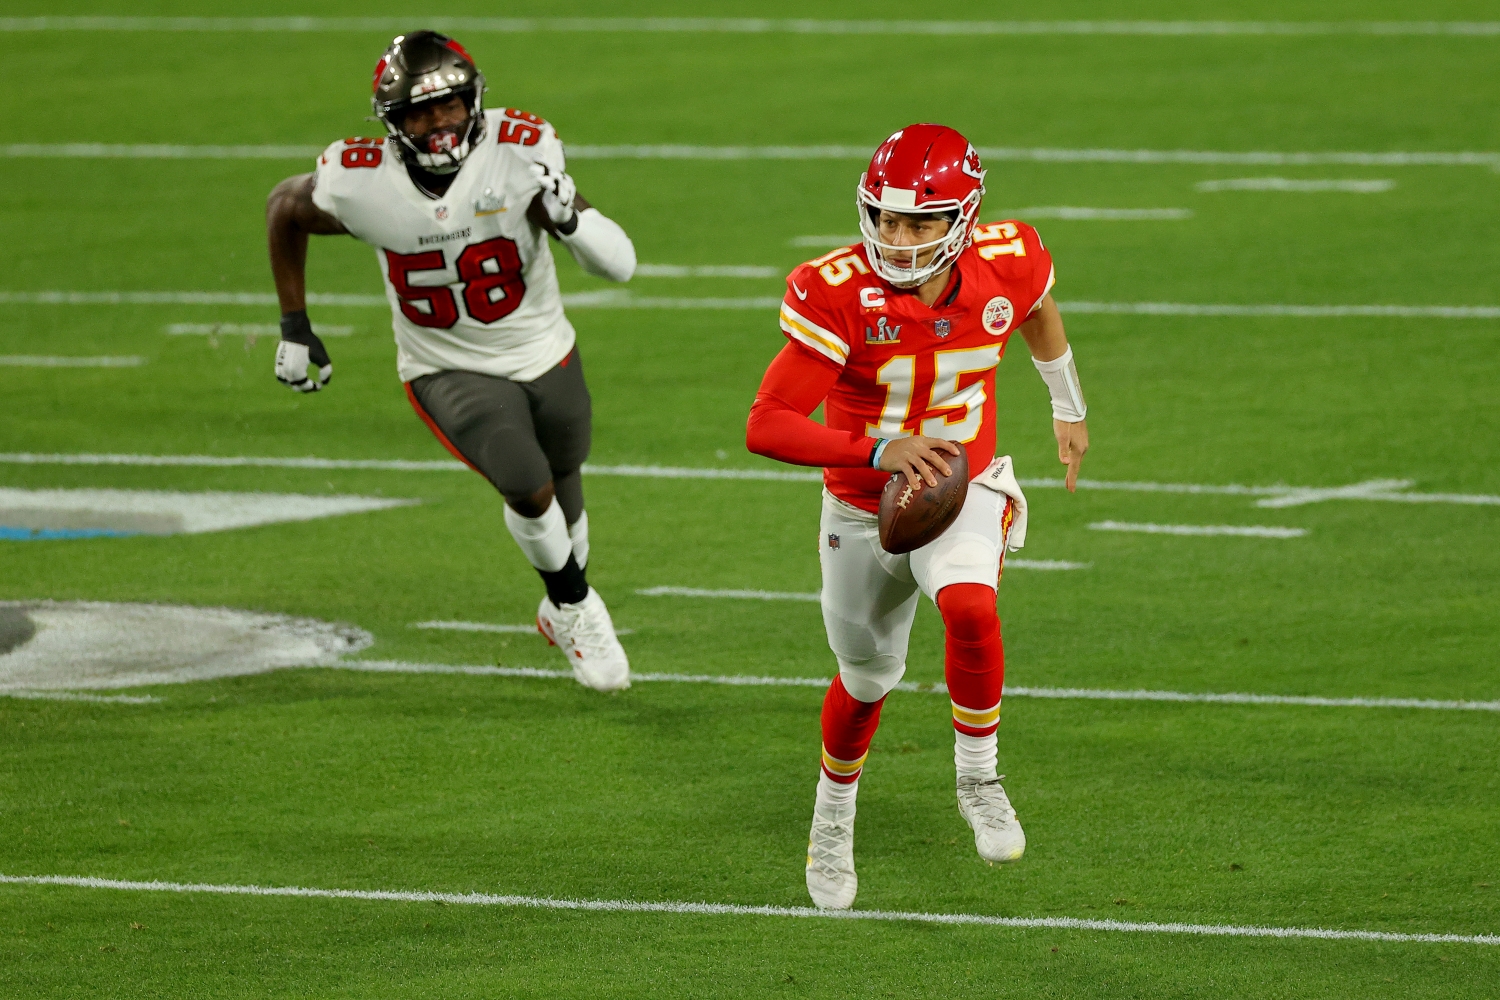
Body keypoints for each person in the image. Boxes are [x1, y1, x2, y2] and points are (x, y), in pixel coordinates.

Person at [745, 124, 1091, 909]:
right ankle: (832, 815)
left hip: (964, 486)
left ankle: (979, 779)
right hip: (863, 506)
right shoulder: (835, 290)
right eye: (887, 219)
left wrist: (1067, 408)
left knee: (971, 604)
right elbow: (766, 423)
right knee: (866, 679)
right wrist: (878, 448)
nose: (898, 239)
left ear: (963, 221)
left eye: (920, 223)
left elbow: (1035, 313)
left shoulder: (1008, 259)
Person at [265, 30, 635, 691]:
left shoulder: (520, 155)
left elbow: (622, 266)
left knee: (564, 476)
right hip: (446, 364)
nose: (439, 123)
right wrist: (296, 324)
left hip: (545, 347)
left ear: (476, 102)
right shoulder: (358, 182)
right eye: (418, 111)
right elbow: (283, 209)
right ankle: (579, 609)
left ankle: (559, 604)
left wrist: (570, 219)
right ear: (392, 122)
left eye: (451, 106)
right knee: (526, 479)